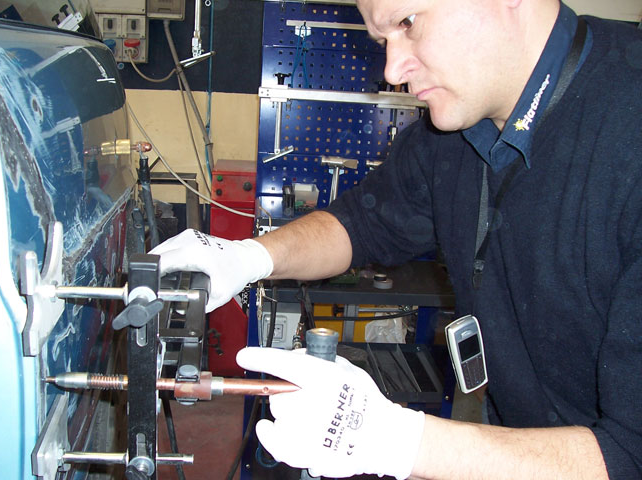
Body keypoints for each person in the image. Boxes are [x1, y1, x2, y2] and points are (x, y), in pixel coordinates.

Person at [150, 0, 642, 477]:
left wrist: (393, 440)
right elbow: (362, 223)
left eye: (407, 22)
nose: (392, 70)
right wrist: (249, 256)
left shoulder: (627, 122)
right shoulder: (451, 133)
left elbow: (629, 456)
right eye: (383, 38)